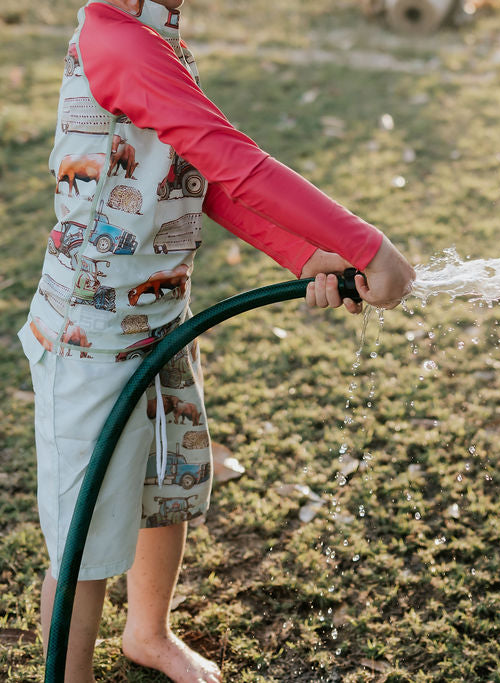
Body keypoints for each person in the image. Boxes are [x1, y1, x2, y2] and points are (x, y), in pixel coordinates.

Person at [20, 0, 416, 681]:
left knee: (165, 483)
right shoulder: (125, 45)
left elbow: (200, 176)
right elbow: (238, 164)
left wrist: (304, 255)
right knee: (81, 544)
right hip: (92, 338)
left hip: (160, 320)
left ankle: (148, 632)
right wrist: (364, 244)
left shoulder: (152, 39)